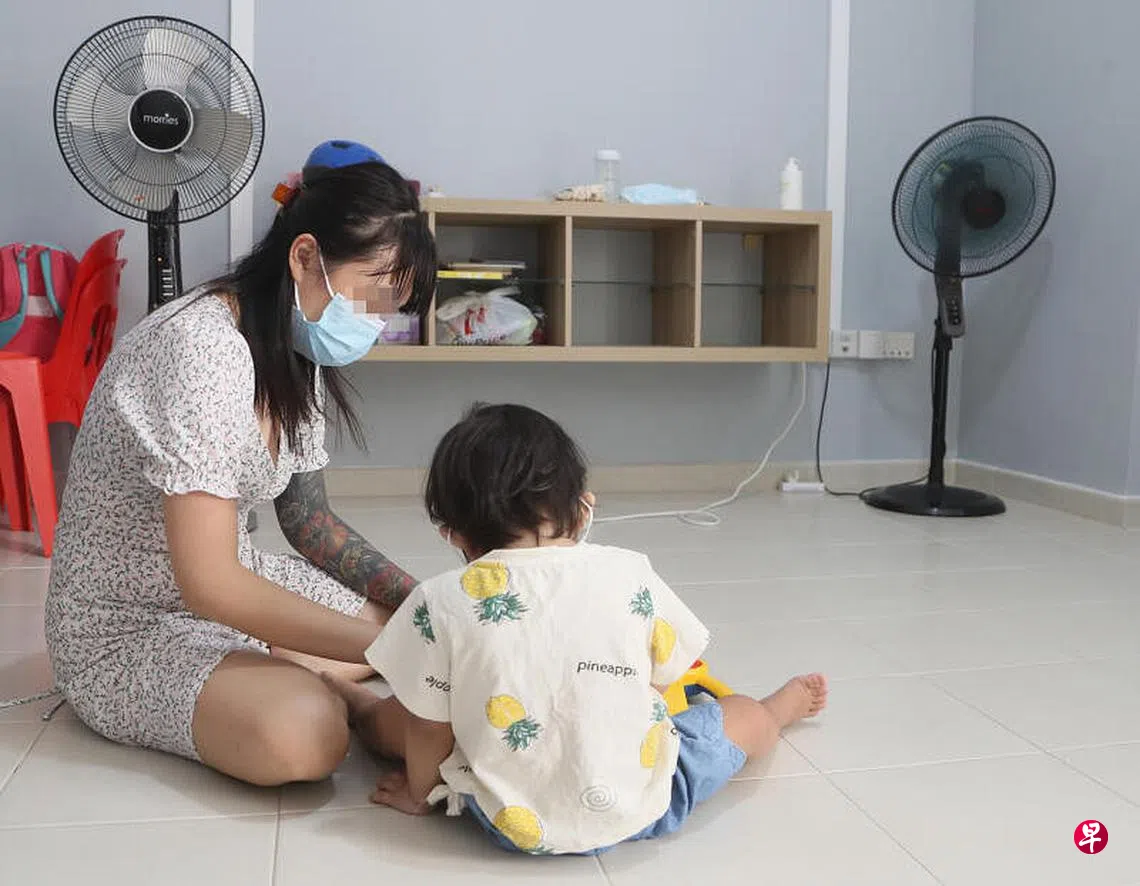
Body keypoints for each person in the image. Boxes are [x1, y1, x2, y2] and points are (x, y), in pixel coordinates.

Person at [44, 140, 438, 786]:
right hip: (132, 621)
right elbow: (211, 586)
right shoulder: (199, 349)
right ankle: (325, 692)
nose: (377, 325)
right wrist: (395, 650)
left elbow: (310, 523)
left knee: (395, 619)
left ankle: (286, 668)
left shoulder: (291, 346)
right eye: (375, 297)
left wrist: (430, 608)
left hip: (235, 582)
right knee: (305, 736)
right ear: (305, 257)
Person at [325, 403, 828, 855]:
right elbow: (661, 680)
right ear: (584, 505)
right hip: (641, 804)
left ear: (452, 533)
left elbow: (430, 728)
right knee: (741, 715)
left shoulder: (440, 601)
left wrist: (420, 795)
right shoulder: (630, 573)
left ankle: (358, 708)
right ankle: (777, 711)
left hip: (510, 820)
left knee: (411, 713)